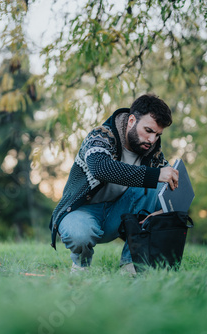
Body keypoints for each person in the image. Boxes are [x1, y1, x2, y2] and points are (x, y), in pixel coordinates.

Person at [49, 94, 179, 273]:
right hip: (82, 211)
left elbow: (166, 183)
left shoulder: (150, 149)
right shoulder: (101, 135)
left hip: (119, 214)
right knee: (79, 234)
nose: (152, 140)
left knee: (159, 185)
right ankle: (81, 265)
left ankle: (132, 263)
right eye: (148, 130)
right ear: (132, 120)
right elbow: (101, 168)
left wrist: (163, 209)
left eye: (157, 134)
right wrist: (155, 175)